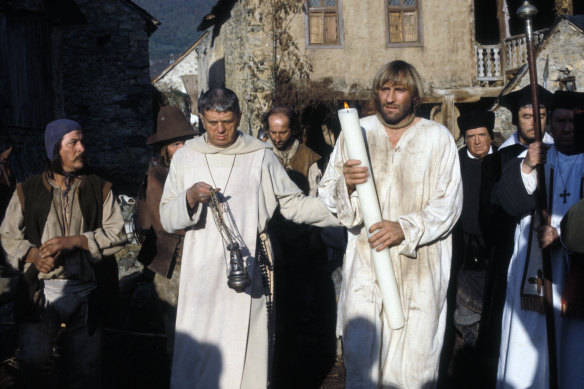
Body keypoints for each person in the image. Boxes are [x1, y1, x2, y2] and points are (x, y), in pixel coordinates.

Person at [159, 88, 339, 389]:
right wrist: (189, 197)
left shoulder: (259, 155)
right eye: (212, 121)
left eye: (227, 121)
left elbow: (293, 204)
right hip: (200, 269)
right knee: (200, 351)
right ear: (202, 118)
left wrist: (343, 211)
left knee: (245, 352)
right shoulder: (186, 158)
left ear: (239, 117)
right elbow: (167, 218)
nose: (220, 129)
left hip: (247, 266)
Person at [318, 60, 462, 388]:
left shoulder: (437, 138)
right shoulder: (357, 133)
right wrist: (347, 184)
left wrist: (405, 228)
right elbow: (327, 193)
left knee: (414, 364)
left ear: (415, 96)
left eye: (400, 90)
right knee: (364, 361)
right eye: (385, 89)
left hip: (419, 268)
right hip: (367, 266)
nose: (391, 98)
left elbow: (448, 204)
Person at [0, 119, 126, 389]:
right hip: (41, 292)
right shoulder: (27, 190)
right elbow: (7, 236)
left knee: (86, 370)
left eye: (82, 141)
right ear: (56, 149)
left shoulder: (99, 187)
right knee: (34, 362)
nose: (82, 147)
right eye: (73, 143)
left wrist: (77, 241)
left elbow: (118, 234)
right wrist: (33, 255)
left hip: (88, 291)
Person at [493, 90, 584, 389]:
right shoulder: (532, 158)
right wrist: (528, 167)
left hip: (574, 277)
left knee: (574, 353)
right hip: (534, 273)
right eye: (560, 121)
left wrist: (566, 236)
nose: (567, 128)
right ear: (551, 125)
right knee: (528, 352)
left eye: (574, 122)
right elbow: (507, 204)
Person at [136, 106, 197, 359]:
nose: (180, 149)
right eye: (174, 145)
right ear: (165, 149)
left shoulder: (198, 170)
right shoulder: (157, 176)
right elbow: (163, 223)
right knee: (178, 333)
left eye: (184, 143)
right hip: (174, 263)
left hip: (200, 259)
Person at [453, 110, 499, 346]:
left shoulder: (503, 159)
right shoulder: (456, 161)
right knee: (467, 282)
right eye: (471, 136)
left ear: (490, 136)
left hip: (498, 239)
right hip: (466, 239)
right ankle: (468, 327)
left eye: (481, 135)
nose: (477, 141)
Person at [266, 106, 321, 196]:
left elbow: (313, 193)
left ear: (291, 130)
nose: (277, 138)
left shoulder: (307, 156)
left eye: (283, 133)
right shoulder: (262, 154)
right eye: (273, 132)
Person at [498, 84, 554, 159]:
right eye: (527, 117)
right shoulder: (503, 155)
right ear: (516, 119)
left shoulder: (555, 149)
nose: (534, 123)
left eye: (540, 117)